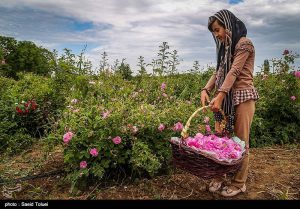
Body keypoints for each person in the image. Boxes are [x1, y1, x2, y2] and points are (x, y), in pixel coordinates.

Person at [200, 9, 259, 197]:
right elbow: (218, 72)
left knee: (241, 143)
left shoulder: (244, 44)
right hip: (224, 99)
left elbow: (233, 71)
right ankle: (219, 176)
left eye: (218, 30)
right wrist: (206, 89)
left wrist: (220, 94)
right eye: (214, 32)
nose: (216, 35)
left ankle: (239, 182)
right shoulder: (225, 48)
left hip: (242, 97)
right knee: (221, 140)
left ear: (228, 25)